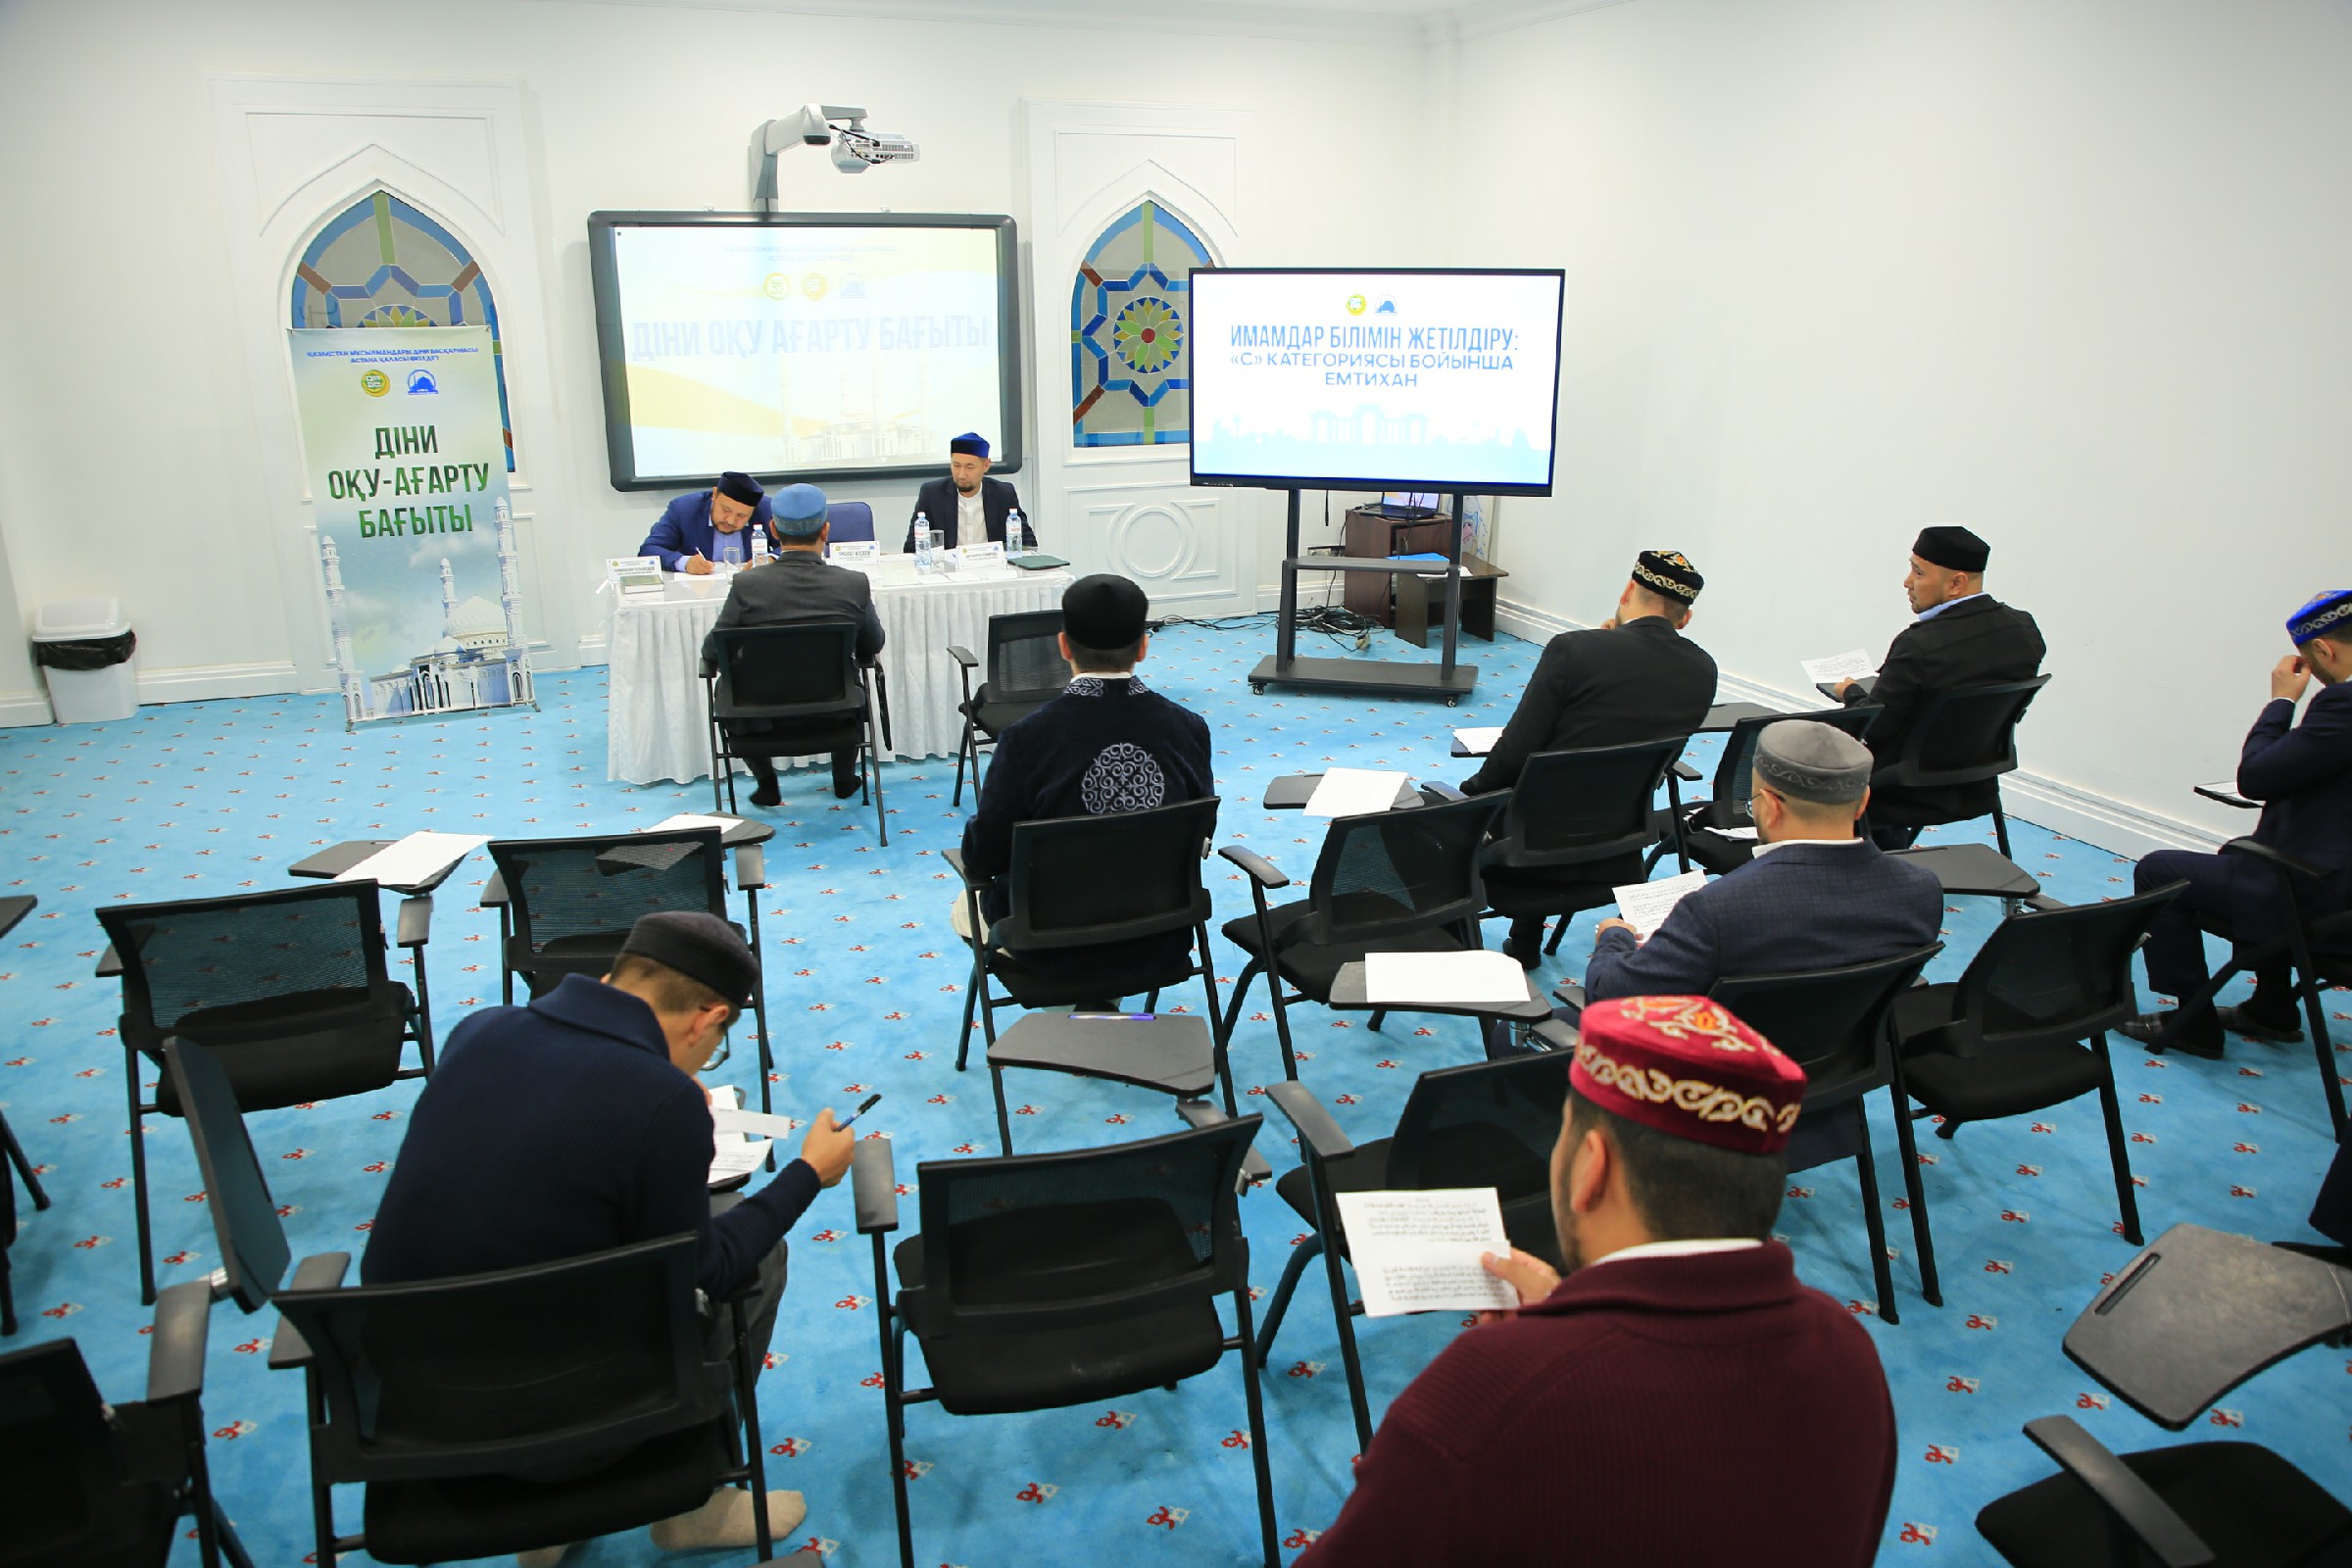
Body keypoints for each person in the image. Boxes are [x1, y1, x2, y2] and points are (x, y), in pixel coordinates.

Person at [1296, 995, 1896, 1567]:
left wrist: (1529, 1358)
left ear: (1590, 1166)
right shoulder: (1848, 1349)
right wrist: (1566, 1323)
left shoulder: (1488, 1395)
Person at [363, 911, 854, 1556]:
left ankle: (547, 1530)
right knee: (760, 1259)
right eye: (716, 1043)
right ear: (706, 1019)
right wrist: (808, 1173)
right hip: (576, 1427)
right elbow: (710, 1272)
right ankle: (697, 1503)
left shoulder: (480, 1030)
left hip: (416, 1416)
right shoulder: (661, 1099)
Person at [2121, 590, 2352, 1058]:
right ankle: (2272, 1010)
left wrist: (2281, 701)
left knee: (2160, 871)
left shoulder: (2343, 706)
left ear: (2322, 650)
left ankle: (2192, 1025)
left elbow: (2256, 777)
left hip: (2326, 900)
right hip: (2332, 881)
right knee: (2257, 849)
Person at [1463, 549, 1718, 963]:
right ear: (1685, 618)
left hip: (1529, 843)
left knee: (1442, 818)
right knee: (1569, 780)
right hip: (1618, 845)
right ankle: (1525, 941)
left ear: (1627, 591)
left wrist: (1470, 796)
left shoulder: (1574, 651)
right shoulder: (1703, 669)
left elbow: (1516, 752)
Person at [956, 573, 1212, 979]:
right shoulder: (1189, 728)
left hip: (1049, 944)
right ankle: (1104, 1007)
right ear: (1143, 646)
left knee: (965, 904)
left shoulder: (1026, 739)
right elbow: (1200, 835)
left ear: (1062, 646)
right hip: (1161, 935)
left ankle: (1084, 1009)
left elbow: (984, 855)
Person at [1581, 719, 1942, 1002]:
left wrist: (1613, 937)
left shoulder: (1718, 909)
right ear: (1863, 802)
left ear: (1769, 807)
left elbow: (1612, 995)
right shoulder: (1921, 890)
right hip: (1837, 1064)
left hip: (1723, 1070)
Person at [1833, 525, 2045, 849]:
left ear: (1956, 583)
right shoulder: (2024, 630)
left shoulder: (1919, 646)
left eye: (1918, 572)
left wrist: (1850, 692)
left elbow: (1876, 726)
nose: (1907, 582)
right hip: (1977, 785)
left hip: (1902, 788)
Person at [702, 482, 886, 808]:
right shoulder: (852, 583)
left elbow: (713, 651)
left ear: (773, 530)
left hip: (757, 714)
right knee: (852, 679)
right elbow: (873, 643)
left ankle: (766, 783)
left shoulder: (747, 584)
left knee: (728, 684)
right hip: (835, 712)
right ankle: (844, 779)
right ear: (826, 530)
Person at [640, 470, 781, 574]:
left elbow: (790, 546)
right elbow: (650, 550)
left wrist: (772, 559)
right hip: (697, 592)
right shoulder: (684, 509)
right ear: (714, 494)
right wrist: (684, 563)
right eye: (726, 510)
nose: (730, 520)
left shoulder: (767, 510)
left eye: (741, 515)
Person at [904, 432, 1022, 552]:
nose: (961, 475)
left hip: (991, 562)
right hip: (948, 563)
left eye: (969, 467)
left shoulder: (1003, 493)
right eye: (956, 466)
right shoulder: (932, 494)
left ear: (986, 465)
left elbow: (1026, 540)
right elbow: (912, 546)